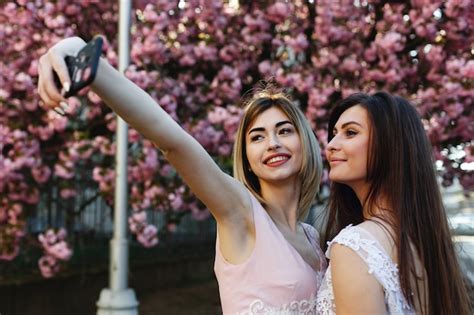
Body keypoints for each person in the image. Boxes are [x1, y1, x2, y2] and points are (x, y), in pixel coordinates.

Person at [37, 36, 327, 314]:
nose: (273, 143)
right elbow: (173, 141)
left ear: (304, 141)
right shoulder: (240, 211)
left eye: (285, 131)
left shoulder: (313, 237)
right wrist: (83, 54)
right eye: (257, 137)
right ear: (248, 159)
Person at [316, 92, 471, 314]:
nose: (331, 145)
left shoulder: (355, 247)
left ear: (389, 145)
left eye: (350, 133)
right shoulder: (425, 242)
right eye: (334, 134)